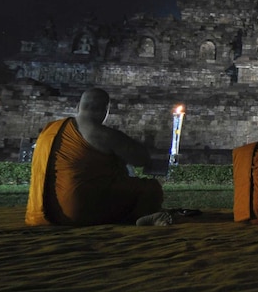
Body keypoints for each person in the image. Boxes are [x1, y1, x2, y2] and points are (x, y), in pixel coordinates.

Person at [26, 88, 171, 227]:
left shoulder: (50, 129)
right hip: (77, 213)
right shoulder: (102, 134)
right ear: (105, 111)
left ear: (78, 107)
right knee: (151, 187)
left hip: (41, 213)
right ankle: (142, 216)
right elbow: (141, 159)